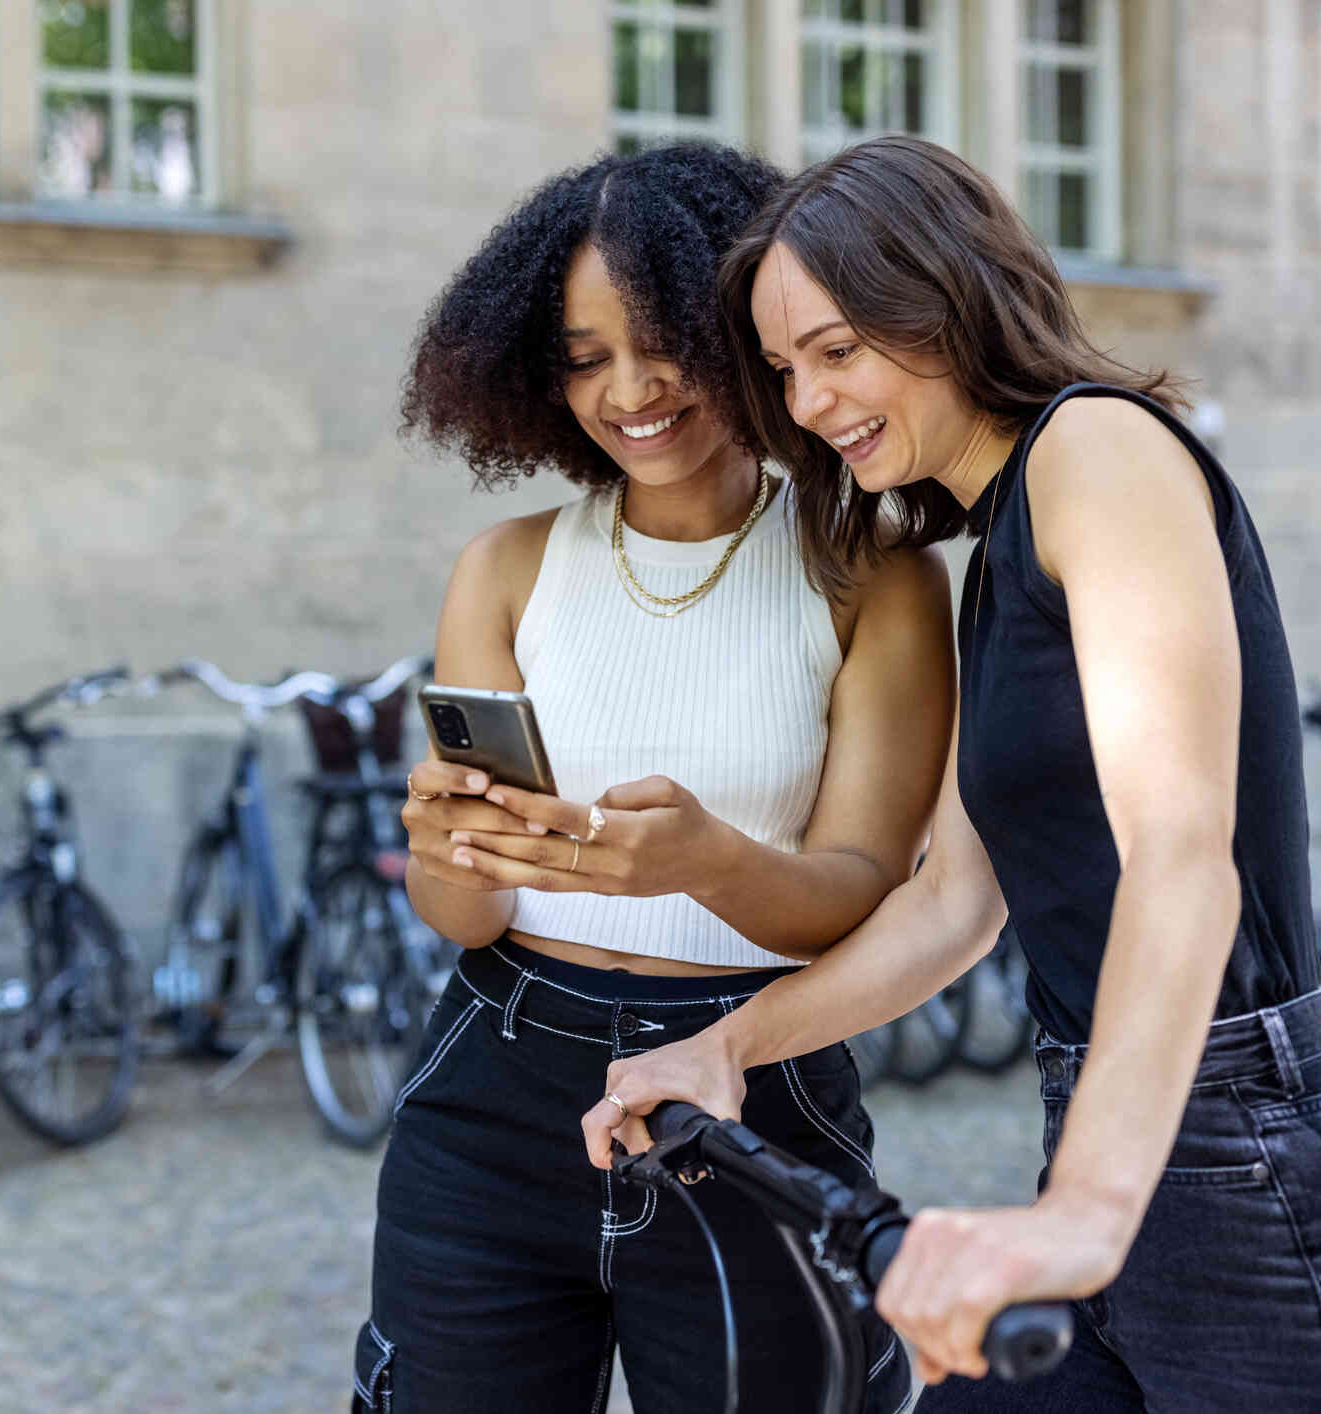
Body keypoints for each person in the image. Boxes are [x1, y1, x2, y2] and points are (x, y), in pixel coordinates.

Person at [570, 136, 1321, 1412]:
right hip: (1112, 1166)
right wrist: (728, 1047)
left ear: (943, 300)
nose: (812, 404)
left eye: (837, 351)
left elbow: (1180, 858)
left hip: (1260, 1205)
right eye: (784, 371)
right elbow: (953, 903)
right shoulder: (992, 556)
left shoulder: (1096, 450)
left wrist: (1082, 1216)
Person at [351, 142, 952, 1413]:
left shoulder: (873, 575)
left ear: (742, 331)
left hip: (746, 1093)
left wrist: (705, 864)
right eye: (580, 356)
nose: (629, 389)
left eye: (663, 338)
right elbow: (469, 916)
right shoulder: (504, 569)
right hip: (494, 1089)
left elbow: (860, 891)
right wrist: (441, 851)